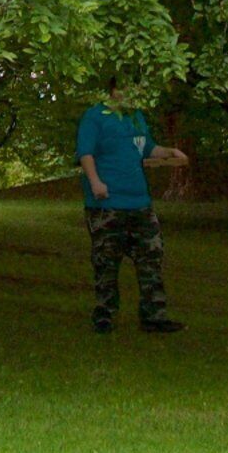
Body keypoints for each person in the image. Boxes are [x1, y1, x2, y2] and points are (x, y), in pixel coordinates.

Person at [76, 87, 190, 334]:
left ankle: (154, 316)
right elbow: (85, 153)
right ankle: (104, 317)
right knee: (106, 262)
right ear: (113, 89)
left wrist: (168, 152)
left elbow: (147, 147)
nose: (133, 94)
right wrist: (95, 182)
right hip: (107, 204)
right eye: (127, 88)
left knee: (152, 256)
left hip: (140, 203)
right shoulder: (95, 116)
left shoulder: (136, 116)